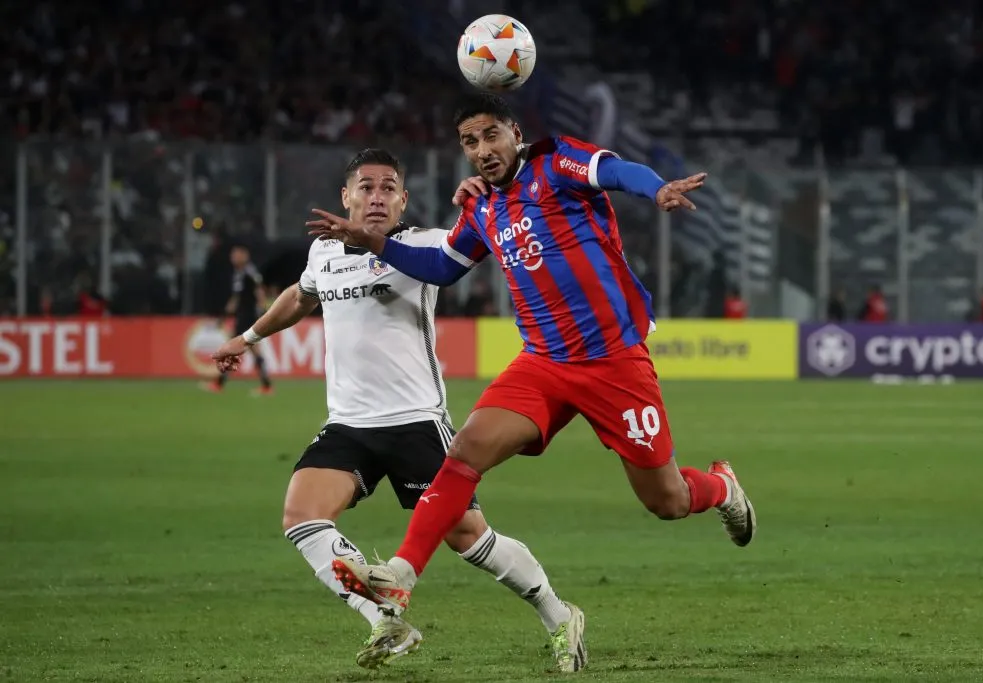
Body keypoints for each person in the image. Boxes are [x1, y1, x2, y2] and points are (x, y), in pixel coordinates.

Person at [307, 94, 757, 636]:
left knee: (666, 500)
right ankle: (400, 575)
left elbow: (613, 170)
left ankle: (722, 488)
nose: (483, 149)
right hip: (543, 362)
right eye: (470, 142)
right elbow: (443, 267)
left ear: (514, 133)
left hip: (614, 363)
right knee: (463, 453)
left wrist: (655, 186)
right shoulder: (480, 207)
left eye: (491, 135)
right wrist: (374, 241)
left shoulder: (554, 165)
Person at [211, 148, 584, 672]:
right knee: (301, 516)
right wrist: (247, 337)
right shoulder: (323, 251)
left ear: (404, 199)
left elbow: (477, 244)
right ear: (346, 197)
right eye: (366, 187)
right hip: (348, 424)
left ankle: (559, 614)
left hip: (416, 423)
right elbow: (301, 296)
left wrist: (484, 201)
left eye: (389, 188)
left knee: (470, 538)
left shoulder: (421, 246)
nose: (378, 196)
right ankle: (385, 620)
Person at [205, 244, 273, 394]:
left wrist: (263, 312)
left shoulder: (249, 272)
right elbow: (236, 299)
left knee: (231, 349)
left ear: (244, 255)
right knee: (254, 351)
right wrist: (224, 316)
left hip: (248, 317)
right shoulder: (239, 273)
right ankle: (266, 385)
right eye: (232, 255)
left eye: (236, 254)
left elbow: (259, 291)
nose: (233, 257)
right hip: (243, 316)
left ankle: (219, 384)